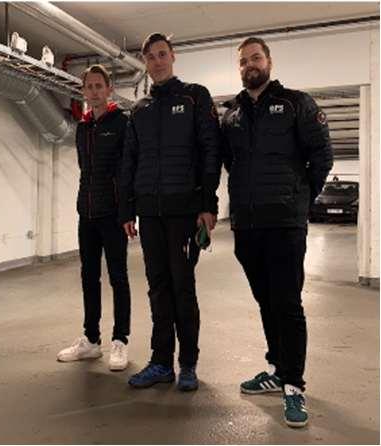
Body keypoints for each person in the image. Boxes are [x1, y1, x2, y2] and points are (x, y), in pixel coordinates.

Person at [220, 37, 333, 427]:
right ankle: (278, 369)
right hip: (247, 225)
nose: (250, 65)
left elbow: (322, 156)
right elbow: (229, 163)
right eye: (244, 61)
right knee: (266, 301)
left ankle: (294, 386)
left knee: (287, 304)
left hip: (285, 223)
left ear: (268, 61)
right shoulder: (232, 114)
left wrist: (300, 199)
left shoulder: (296, 103)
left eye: (256, 58)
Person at [118, 33, 221, 390]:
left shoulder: (195, 96)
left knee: (182, 287)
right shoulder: (140, 109)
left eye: (162, 54)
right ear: (145, 63)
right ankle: (161, 362)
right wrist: (127, 210)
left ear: (173, 57)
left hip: (184, 212)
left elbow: (210, 151)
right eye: (150, 57)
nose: (157, 61)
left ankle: (187, 363)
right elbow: (130, 160)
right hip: (150, 213)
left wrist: (208, 204)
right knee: (158, 288)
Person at [57, 65, 132, 371]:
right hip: (86, 214)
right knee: (89, 277)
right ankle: (91, 340)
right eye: (89, 86)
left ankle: (120, 340)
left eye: (99, 85)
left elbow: (127, 172)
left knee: (118, 278)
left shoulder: (122, 123)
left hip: (113, 215)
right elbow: (84, 169)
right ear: (83, 91)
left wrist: (127, 212)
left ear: (109, 89)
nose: (94, 91)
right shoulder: (83, 128)